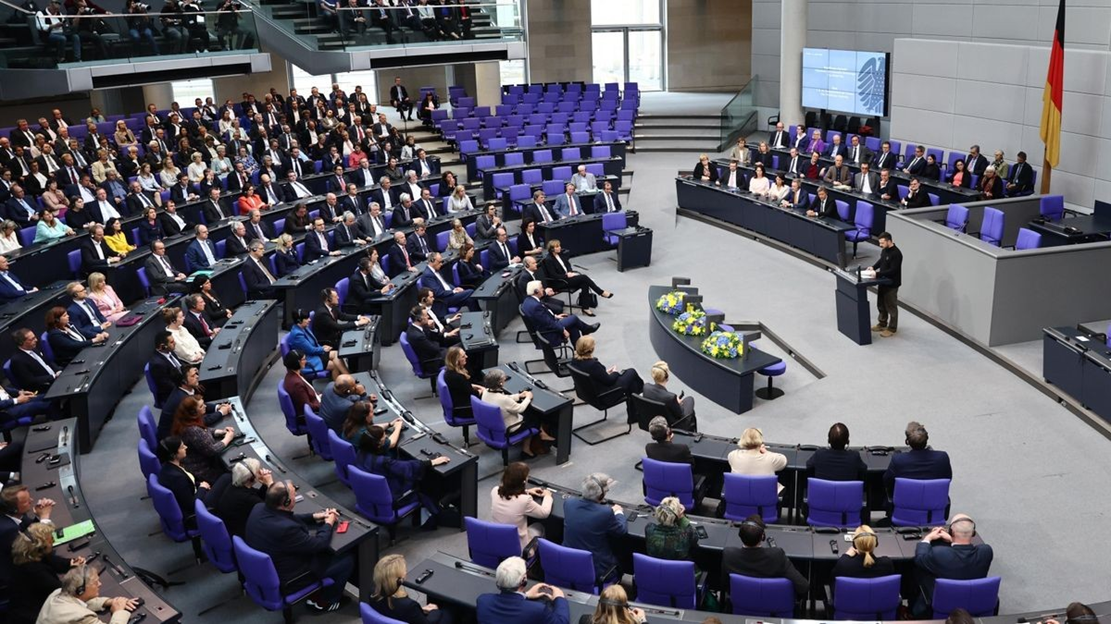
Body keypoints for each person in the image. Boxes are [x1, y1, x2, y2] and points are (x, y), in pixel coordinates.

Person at [245, 481, 353, 613]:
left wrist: (314, 516)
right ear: (286, 502)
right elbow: (319, 544)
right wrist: (328, 523)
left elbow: (286, 517)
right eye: (293, 492)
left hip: (266, 570)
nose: (296, 493)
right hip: (291, 579)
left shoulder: (259, 508)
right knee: (346, 560)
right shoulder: (286, 530)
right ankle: (326, 602)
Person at [355, 422, 450, 526]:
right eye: (383, 437)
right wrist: (432, 462)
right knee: (425, 479)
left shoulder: (360, 453)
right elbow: (407, 468)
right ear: (377, 444)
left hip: (369, 498)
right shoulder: (383, 462)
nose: (386, 436)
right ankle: (437, 512)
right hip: (393, 500)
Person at [914, 514, 993, 616]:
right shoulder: (986, 552)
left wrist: (927, 538)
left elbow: (920, 559)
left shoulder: (939, 554)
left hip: (945, 604)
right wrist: (952, 539)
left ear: (951, 532)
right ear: (973, 533)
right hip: (975, 602)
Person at [721, 515, 808, 600]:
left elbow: (725, 585)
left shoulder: (729, 555)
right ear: (763, 536)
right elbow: (803, 587)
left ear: (740, 534)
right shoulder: (777, 555)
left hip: (741, 604)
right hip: (774, 607)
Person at [9, 523, 82, 624]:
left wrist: (71, 563)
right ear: (41, 545)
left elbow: (52, 560)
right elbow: (61, 592)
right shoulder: (34, 570)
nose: (53, 541)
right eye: (50, 538)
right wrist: (78, 574)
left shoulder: (30, 553)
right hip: (36, 615)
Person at [562, 473, 626, 580]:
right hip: (596, 571)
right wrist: (618, 512)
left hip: (568, 563)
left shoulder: (568, 503)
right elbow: (621, 530)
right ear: (601, 495)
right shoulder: (605, 513)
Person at [480, 368, 554, 457]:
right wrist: (528, 397)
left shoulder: (486, 392)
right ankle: (526, 449)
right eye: (504, 378)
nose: (505, 379)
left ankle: (541, 434)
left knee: (528, 412)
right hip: (510, 428)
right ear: (500, 382)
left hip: (494, 425)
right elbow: (520, 409)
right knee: (535, 417)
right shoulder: (503, 399)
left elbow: (504, 398)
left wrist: (519, 396)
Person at [476, 556, 568, 624]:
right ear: (523, 580)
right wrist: (559, 598)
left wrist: (526, 595)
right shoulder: (537, 610)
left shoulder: (483, 601)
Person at [36, 565, 138, 624]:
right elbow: (76, 610)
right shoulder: (82, 617)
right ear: (81, 590)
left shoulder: (57, 592)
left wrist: (109, 602)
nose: (100, 584)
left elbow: (79, 603)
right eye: (95, 582)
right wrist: (118, 611)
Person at [369, 554, 451, 624]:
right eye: (405, 570)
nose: (406, 572)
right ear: (400, 579)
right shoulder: (408, 605)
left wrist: (420, 611)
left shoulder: (373, 593)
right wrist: (434, 610)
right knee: (451, 610)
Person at [172, 395, 234, 484]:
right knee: (231, 476)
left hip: (203, 463)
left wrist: (219, 431)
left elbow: (204, 429)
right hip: (202, 470)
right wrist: (227, 439)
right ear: (193, 412)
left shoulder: (187, 421)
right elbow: (211, 450)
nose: (205, 406)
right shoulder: (193, 430)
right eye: (201, 406)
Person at [490, 462, 552, 550]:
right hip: (519, 548)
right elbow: (544, 513)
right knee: (539, 526)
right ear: (523, 481)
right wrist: (547, 496)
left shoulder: (495, 491)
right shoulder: (524, 501)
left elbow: (509, 493)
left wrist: (527, 491)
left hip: (498, 541)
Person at [542, 240, 611, 315]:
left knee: (584, 283)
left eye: (559, 246)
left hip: (567, 277)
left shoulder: (561, 254)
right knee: (584, 277)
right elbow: (553, 275)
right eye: (557, 246)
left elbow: (568, 265)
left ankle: (585, 308)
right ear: (552, 249)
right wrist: (566, 275)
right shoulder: (549, 260)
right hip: (559, 282)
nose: (560, 248)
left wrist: (570, 272)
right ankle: (601, 292)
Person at [884, 420, 952, 496]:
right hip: (934, 505)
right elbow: (947, 479)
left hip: (905, 505)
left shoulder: (898, 460)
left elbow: (887, 482)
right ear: (927, 438)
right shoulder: (942, 458)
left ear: (907, 441)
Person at [522, 280, 598, 347]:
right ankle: (586, 329)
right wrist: (563, 330)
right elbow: (549, 323)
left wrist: (555, 316)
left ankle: (578, 351)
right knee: (573, 318)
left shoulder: (528, 300)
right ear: (536, 291)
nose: (543, 290)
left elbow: (543, 317)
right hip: (548, 333)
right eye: (542, 288)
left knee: (573, 325)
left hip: (548, 325)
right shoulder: (535, 306)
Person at [155, 435, 211, 526]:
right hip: (195, 515)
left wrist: (200, 485)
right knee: (226, 478)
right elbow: (192, 505)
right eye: (182, 447)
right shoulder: (177, 478)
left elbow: (188, 485)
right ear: (174, 454)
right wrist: (202, 488)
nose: (186, 447)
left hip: (195, 495)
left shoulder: (168, 467)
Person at [213, 457, 272, 538]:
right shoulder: (247, 498)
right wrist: (270, 484)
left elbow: (257, 496)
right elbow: (271, 510)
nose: (261, 472)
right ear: (251, 478)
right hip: (242, 535)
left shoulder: (234, 486)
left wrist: (265, 485)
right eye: (259, 471)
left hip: (229, 529)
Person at [288, 308, 350, 380]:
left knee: (336, 354)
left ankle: (348, 377)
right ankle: (341, 384)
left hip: (314, 354)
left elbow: (313, 343)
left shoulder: (303, 327)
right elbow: (311, 350)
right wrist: (322, 349)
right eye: (307, 318)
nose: (309, 320)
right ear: (299, 320)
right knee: (334, 365)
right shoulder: (297, 335)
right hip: (309, 359)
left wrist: (322, 347)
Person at [572, 335, 644, 395]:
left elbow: (594, 374)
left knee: (632, 384)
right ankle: (642, 392)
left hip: (587, 392)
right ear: (591, 349)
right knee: (631, 372)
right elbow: (609, 381)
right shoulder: (593, 364)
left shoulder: (574, 360)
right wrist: (615, 372)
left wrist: (604, 373)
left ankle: (637, 402)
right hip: (604, 394)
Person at [727, 427, 788, 493]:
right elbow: (783, 461)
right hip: (764, 500)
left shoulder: (733, 455)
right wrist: (765, 452)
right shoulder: (770, 458)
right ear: (760, 440)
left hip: (739, 498)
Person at [643, 361, 697, 431]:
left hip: (655, 418)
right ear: (666, 377)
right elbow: (679, 414)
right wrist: (678, 403)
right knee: (690, 399)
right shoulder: (670, 397)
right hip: (671, 423)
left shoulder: (646, 387)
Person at [645, 496, 699, 564]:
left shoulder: (649, 529)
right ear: (676, 517)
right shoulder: (685, 534)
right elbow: (695, 538)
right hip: (678, 572)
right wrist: (682, 517)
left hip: (655, 570)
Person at [869, 232, 903, 337]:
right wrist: (873, 267)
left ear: (889, 241)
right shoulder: (885, 250)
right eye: (880, 243)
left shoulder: (896, 254)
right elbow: (881, 260)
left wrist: (877, 274)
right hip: (882, 282)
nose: (880, 245)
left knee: (891, 306)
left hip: (891, 284)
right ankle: (882, 323)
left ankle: (892, 328)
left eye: (882, 243)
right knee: (881, 304)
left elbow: (893, 270)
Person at [10, 329, 61, 394]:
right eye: (32, 339)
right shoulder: (17, 361)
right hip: (44, 388)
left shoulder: (33, 349)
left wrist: (58, 370)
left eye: (35, 337)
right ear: (21, 342)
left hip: (56, 379)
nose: (36, 340)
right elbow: (30, 381)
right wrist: (53, 377)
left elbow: (48, 362)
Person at [282, 350, 321, 423]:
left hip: (315, 401)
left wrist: (319, 396)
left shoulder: (294, 374)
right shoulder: (297, 384)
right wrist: (323, 404)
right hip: (311, 415)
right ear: (297, 362)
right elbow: (307, 407)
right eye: (303, 359)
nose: (306, 361)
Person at [579, 586, 645, 624]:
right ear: (624, 608)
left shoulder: (584, 620)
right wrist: (642, 620)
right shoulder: (634, 622)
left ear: (600, 605)